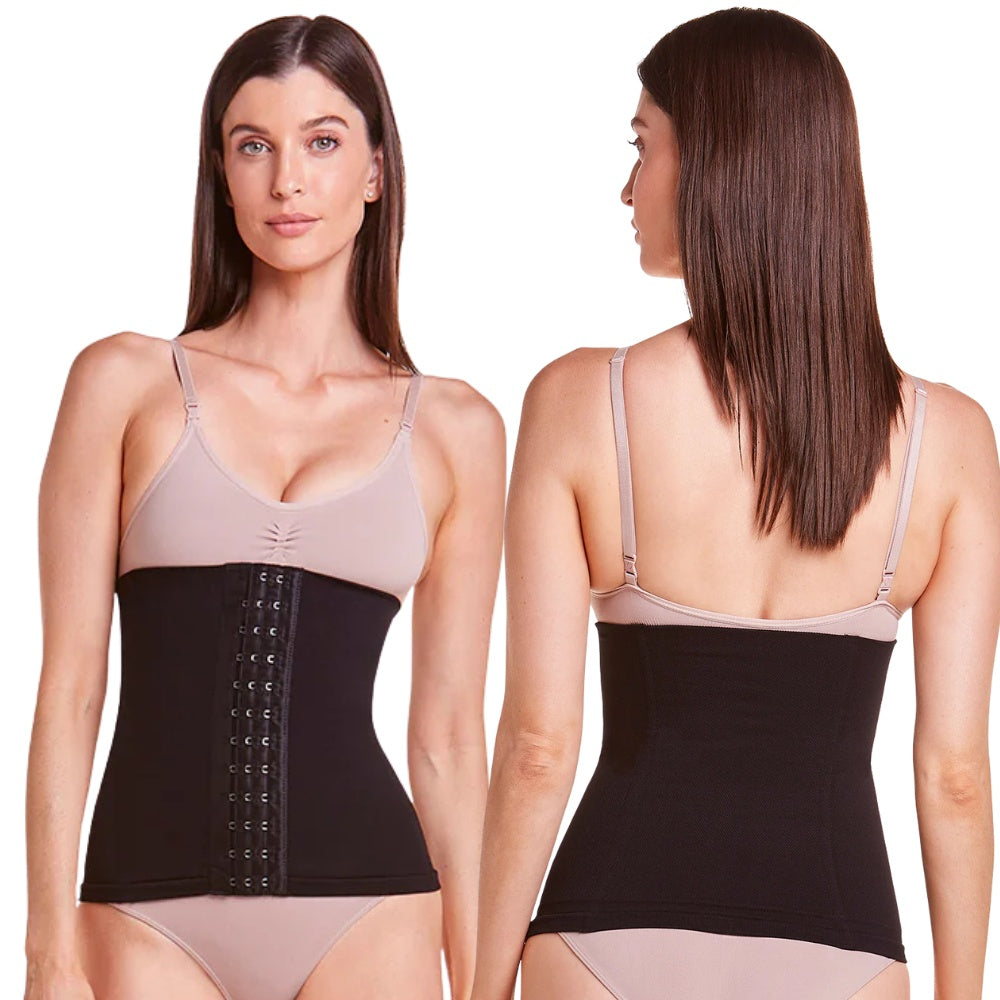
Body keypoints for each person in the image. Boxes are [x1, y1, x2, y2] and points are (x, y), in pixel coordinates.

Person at [472, 8, 997, 1000]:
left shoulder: (581, 400)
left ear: (716, 160)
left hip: (604, 940)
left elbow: (538, 748)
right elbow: (955, 776)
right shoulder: (951, 440)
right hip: (844, 953)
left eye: (642, 146)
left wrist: (482, 988)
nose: (626, 187)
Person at [24, 15, 504, 1000]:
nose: (288, 180)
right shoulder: (123, 383)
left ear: (375, 170)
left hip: (373, 912)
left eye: (322, 142)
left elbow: (450, 739)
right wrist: (46, 949)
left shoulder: (456, 427)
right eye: (255, 146)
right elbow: (71, 688)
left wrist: (483, 980)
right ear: (222, 172)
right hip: (142, 915)